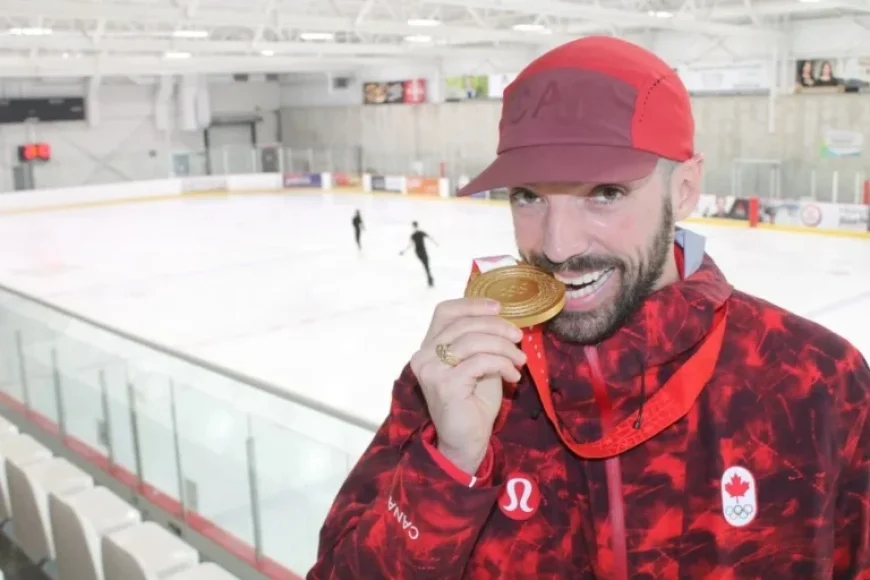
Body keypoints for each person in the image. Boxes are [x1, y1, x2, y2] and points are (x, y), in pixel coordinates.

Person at [309, 36, 869, 579]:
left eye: (605, 193)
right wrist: (450, 467)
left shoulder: (816, 382)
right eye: (528, 196)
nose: (558, 246)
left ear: (687, 189)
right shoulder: (455, 376)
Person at [400, 221, 438, 287]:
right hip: (421, 251)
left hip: (419, 252)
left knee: (425, 265)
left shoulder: (416, 234)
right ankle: (430, 280)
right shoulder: (417, 234)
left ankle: (430, 279)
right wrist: (435, 243)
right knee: (426, 264)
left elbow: (411, 244)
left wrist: (404, 251)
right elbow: (429, 237)